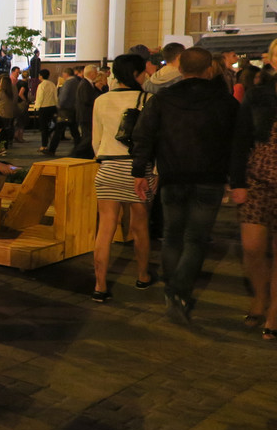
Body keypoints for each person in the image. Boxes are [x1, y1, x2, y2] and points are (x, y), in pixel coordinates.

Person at [132, 47, 238, 325]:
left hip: (173, 176)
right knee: (196, 238)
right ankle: (179, 290)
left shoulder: (163, 99)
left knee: (172, 235)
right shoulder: (224, 102)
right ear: (209, 70)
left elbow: (143, 134)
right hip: (209, 178)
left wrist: (139, 171)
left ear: (180, 69)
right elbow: (237, 143)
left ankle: (172, 290)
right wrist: (235, 178)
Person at [89, 54, 154, 303]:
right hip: (138, 169)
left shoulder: (101, 100)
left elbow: (96, 140)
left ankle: (100, 285)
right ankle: (142, 275)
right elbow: (152, 141)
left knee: (106, 227)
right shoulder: (148, 99)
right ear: (136, 74)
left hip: (108, 166)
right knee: (139, 226)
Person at [229, 39, 277, 340]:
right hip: (258, 178)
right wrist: (237, 181)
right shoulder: (259, 94)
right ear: (270, 59)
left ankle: (273, 312)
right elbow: (240, 137)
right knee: (252, 248)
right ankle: (260, 296)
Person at [45, 67, 81, 155]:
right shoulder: (77, 82)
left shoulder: (68, 83)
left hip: (65, 110)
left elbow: (63, 96)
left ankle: (51, 149)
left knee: (58, 130)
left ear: (66, 74)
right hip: (73, 109)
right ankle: (79, 148)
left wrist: (59, 105)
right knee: (74, 131)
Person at [72, 65, 100, 159]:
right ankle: (76, 153)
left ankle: (85, 154)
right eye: (96, 72)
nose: (97, 74)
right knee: (88, 137)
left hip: (86, 115)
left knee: (88, 137)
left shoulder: (87, 83)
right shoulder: (85, 84)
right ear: (91, 73)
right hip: (85, 115)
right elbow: (86, 99)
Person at [35, 69, 58, 151]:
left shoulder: (41, 85)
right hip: (52, 107)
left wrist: (37, 107)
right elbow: (56, 96)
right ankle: (49, 136)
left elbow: (40, 97)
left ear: (41, 76)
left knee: (43, 127)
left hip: (43, 108)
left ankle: (44, 145)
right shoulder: (52, 84)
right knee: (52, 125)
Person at [0, 76, 18, 144]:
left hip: (1, 114)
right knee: (9, 128)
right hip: (11, 113)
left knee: (1, 131)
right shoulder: (14, 89)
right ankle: (9, 141)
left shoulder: (0, 92)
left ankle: (1, 145)